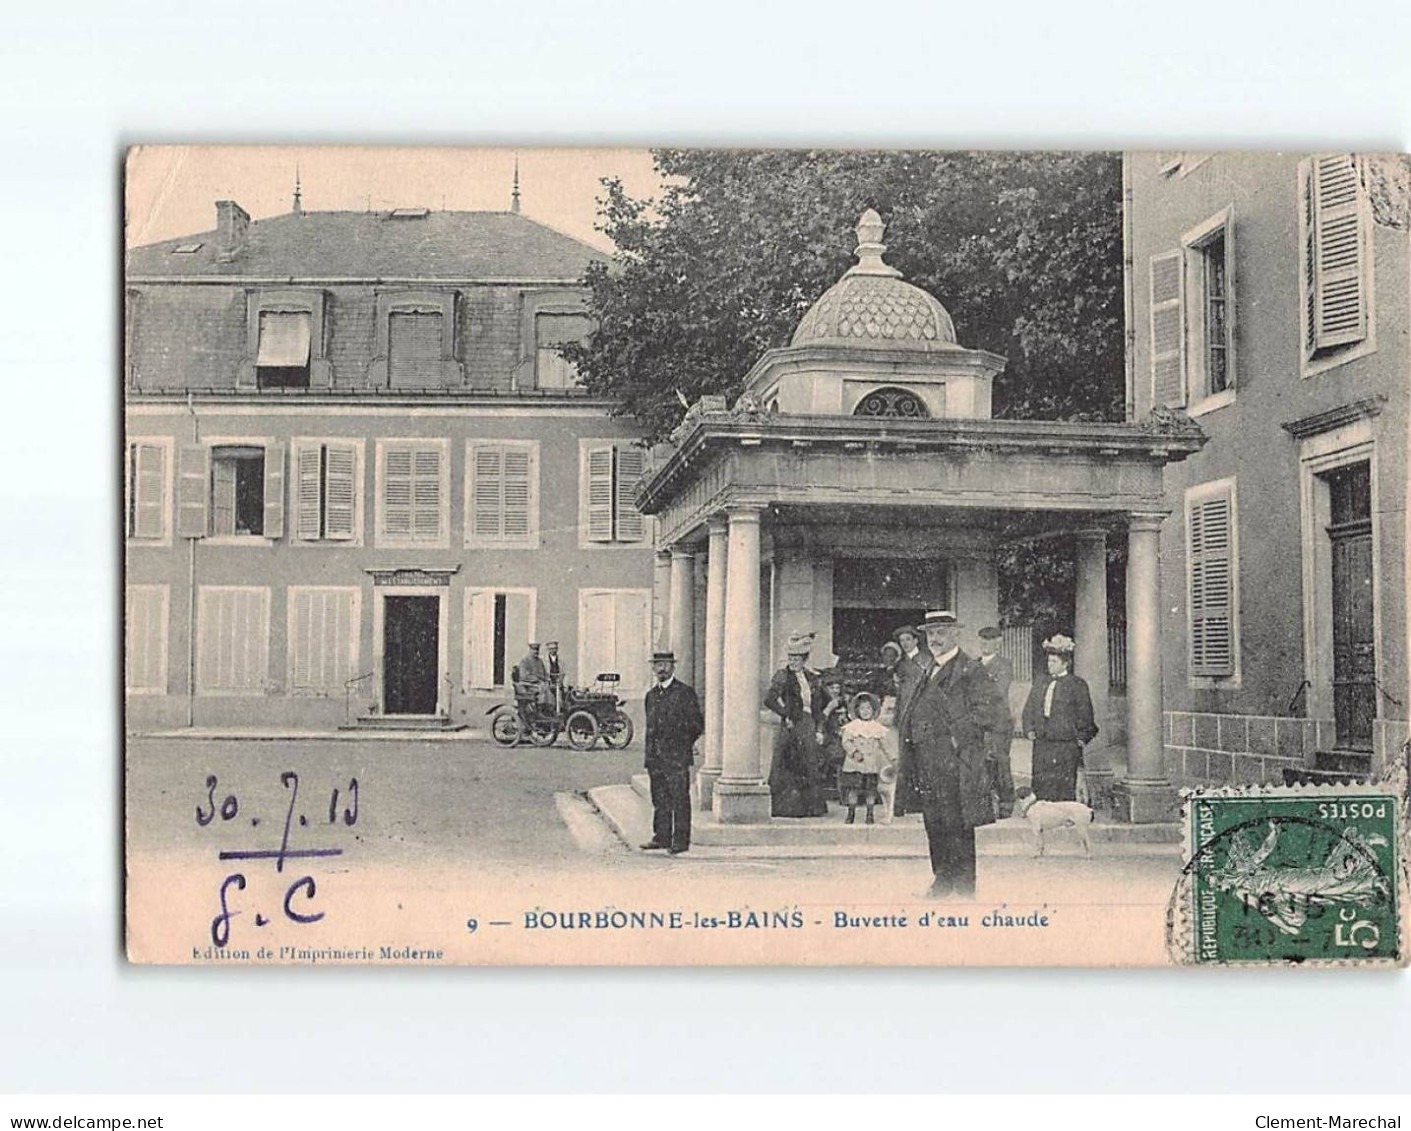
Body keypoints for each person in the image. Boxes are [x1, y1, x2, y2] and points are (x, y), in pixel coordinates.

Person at [904, 610, 1006, 898]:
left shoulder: (969, 669)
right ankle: (942, 880)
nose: (935, 639)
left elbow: (991, 711)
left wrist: (955, 735)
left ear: (955, 634)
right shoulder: (927, 667)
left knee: (957, 822)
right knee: (934, 822)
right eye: (931, 633)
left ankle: (963, 889)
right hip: (926, 760)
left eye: (941, 633)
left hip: (955, 761)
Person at [641, 649, 704, 855]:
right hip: (655, 758)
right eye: (657, 664)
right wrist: (650, 756)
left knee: (679, 798)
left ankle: (680, 841)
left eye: (665, 664)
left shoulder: (684, 693)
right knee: (659, 799)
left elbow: (696, 724)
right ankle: (661, 836)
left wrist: (681, 745)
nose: (661, 668)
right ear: (653, 668)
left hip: (676, 757)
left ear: (672, 666)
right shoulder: (650, 696)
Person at [1022, 634, 1098, 802]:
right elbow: (1029, 709)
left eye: (1054, 662)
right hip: (1043, 743)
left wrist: (1080, 740)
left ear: (1065, 663)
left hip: (1065, 745)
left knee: (1063, 786)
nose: (1050, 665)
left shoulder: (1077, 685)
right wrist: (1029, 730)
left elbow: (1086, 716)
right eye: (1049, 661)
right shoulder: (1040, 682)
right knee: (1042, 782)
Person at [763, 632, 829, 817]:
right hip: (792, 724)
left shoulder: (811, 678)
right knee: (789, 763)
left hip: (808, 724)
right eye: (791, 658)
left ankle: (810, 808)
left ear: (804, 659)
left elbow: (818, 707)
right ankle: (787, 809)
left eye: (797, 658)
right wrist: (786, 714)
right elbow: (769, 699)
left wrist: (819, 729)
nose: (793, 661)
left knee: (809, 762)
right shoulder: (783, 676)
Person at [890, 624, 931, 818]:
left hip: (922, 716)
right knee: (904, 760)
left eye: (908, 639)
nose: (905, 643)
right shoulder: (900, 663)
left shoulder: (926, 660)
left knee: (923, 759)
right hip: (905, 715)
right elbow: (898, 692)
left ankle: (922, 803)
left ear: (916, 640)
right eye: (902, 641)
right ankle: (901, 803)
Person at [977, 625, 1017, 818]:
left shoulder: (1004, 665)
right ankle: (984, 803)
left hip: (998, 723)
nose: (985, 644)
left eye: (989, 641)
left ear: (998, 643)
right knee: (980, 762)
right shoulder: (974, 663)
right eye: (982, 641)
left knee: (1000, 762)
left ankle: (1006, 804)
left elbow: (998, 693)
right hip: (977, 722)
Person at [840, 691, 891, 825]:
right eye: (862, 708)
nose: (865, 711)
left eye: (868, 708)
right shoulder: (852, 727)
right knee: (854, 789)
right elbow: (846, 742)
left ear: (873, 710)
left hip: (871, 765)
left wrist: (892, 757)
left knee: (870, 790)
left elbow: (884, 745)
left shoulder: (877, 728)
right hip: (855, 763)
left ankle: (870, 813)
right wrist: (854, 752)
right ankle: (851, 813)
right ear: (857, 710)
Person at [816, 670, 850, 800]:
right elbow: (820, 722)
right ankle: (844, 795)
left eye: (838, 688)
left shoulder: (843, 702)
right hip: (827, 738)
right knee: (840, 753)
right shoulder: (821, 702)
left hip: (843, 737)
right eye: (832, 688)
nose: (835, 691)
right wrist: (829, 709)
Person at [544, 640, 565, 713]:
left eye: (555, 648)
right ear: (548, 650)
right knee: (549, 698)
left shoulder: (560, 661)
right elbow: (545, 673)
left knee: (561, 696)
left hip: (558, 682)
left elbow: (563, 672)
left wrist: (560, 681)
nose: (553, 650)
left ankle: (560, 711)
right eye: (551, 649)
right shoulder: (545, 661)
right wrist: (549, 681)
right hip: (549, 683)